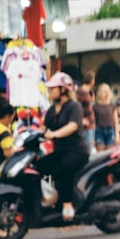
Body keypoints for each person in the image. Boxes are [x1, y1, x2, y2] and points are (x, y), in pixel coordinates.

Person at [37, 72, 90, 221]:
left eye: (53, 88)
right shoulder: (51, 110)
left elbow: (72, 126)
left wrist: (54, 134)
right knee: (37, 166)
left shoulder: (74, 107)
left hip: (77, 150)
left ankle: (67, 204)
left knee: (65, 167)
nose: (49, 91)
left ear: (63, 90)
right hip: (59, 150)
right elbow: (43, 128)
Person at [93, 83, 120, 152]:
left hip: (110, 130)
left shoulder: (112, 106)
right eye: (101, 92)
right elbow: (93, 121)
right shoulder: (95, 106)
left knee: (109, 153)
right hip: (99, 130)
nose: (102, 94)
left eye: (104, 92)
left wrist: (117, 133)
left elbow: (116, 121)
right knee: (100, 153)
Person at [77, 70, 96, 152]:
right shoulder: (81, 92)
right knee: (87, 150)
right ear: (92, 81)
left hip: (90, 125)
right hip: (86, 126)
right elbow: (77, 107)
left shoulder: (88, 92)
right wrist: (81, 120)